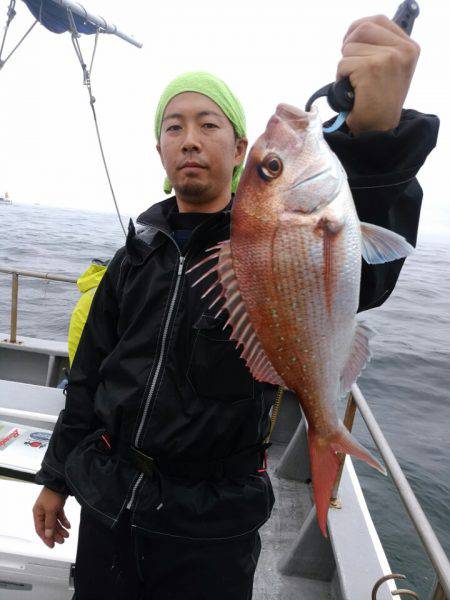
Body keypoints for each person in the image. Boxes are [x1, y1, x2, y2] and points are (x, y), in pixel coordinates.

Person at [32, 15, 439, 600]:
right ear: (160, 149)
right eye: (174, 127)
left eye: (207, 123)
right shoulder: (133, 257)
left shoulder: (267, 246)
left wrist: (375, 138)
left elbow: (361, 273)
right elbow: (89, 381)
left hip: (211, 530)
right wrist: (54, 480)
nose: (190, 138)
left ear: (242, 149)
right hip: (111, 509)